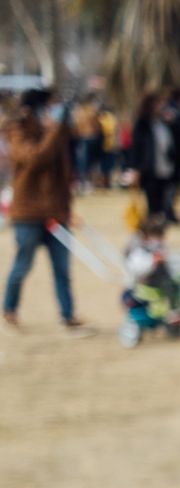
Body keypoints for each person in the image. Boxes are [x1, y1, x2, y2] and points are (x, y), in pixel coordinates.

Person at [3, 89, 87, 333]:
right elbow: (35, 158)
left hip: (57, 212)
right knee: (22, 265)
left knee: (62, 267)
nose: (54, 110)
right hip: (28, 212)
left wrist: (67, 207)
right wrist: (52, 131)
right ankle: (9, 309)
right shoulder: (17, 130)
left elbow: (64, 171)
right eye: (50, 105)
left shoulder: (57, 131)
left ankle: (67, 314)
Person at [129, 92, 180, 221]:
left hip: (167, 166)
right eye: (157, 104)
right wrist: (135, 168)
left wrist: (174, 121)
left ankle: (162, 219)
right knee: (153, 200)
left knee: (166, 197)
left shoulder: (166, 122)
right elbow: (136, 147)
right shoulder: (143, 124)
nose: (161, 106)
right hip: (149, 168)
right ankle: (152, 223)